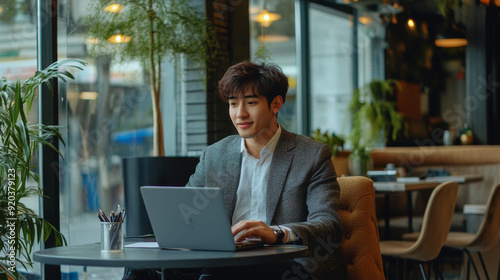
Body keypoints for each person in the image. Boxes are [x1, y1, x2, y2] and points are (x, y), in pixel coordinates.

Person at [185, 60, 347, 280]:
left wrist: (276, 233)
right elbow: (185, 214)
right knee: (142, 270)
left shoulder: (312, 155)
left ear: (276, 104)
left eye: (250, 103)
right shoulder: (214, 155)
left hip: (284, 263)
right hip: (221, 261)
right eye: (233, 104)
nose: (240, 113)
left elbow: (328, 225)